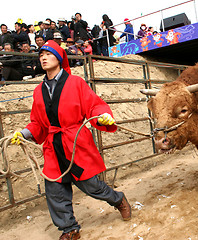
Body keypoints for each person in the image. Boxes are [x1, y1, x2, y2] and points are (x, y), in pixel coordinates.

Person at [10, 40, 131, 240]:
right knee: (55, 189)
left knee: (91, 185)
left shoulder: (76, 83)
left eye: (47, 54)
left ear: (58, 58)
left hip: (74, 141)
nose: (43, 58)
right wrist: (23, 133)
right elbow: (38, 122)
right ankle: (69, 229)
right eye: (40, 55)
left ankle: (119, 200)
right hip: (53, 144)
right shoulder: (38, 90)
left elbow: (94, 105)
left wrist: (103, 115)